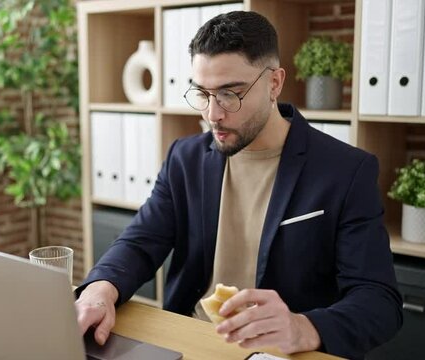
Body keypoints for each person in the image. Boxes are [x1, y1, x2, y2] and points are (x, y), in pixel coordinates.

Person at [75, 11, 402, 359]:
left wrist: (303, 327)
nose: (213, 113)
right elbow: (141, 241)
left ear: (274, 83)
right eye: (202, 93)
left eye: (230, 94)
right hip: (190, 343)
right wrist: (100, 289)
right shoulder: (184, 158)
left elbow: (378, 300)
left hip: (281, 353)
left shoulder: (346, 171)